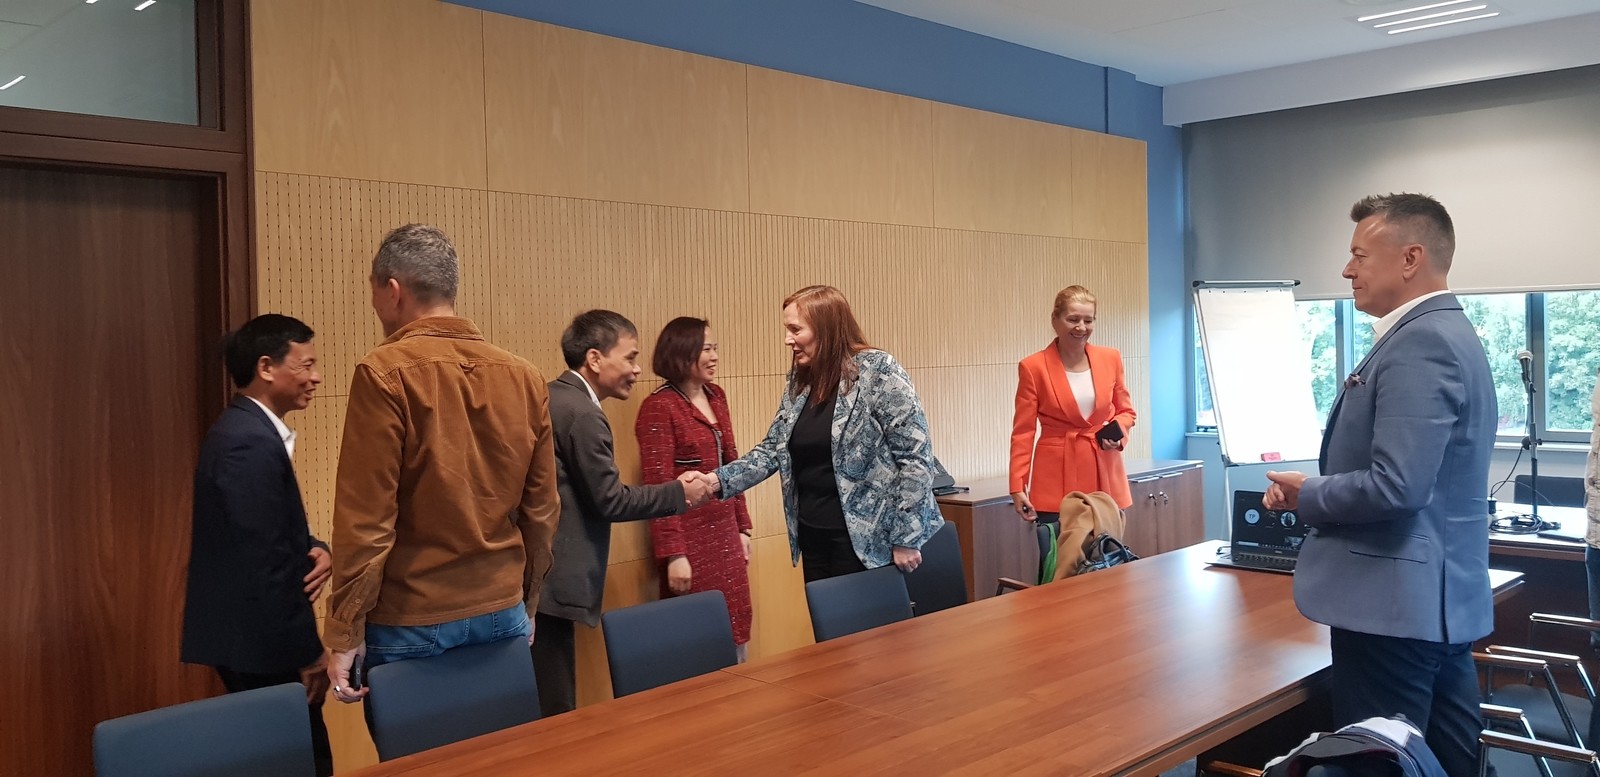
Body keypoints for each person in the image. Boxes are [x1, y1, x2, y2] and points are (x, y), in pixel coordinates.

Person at [1261, 193, 1495, 777]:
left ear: (1411, 258)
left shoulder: (1421, 341)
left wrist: (1308, 494)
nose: (1347, 270)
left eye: (1360, 255)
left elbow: (1398, 487)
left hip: (1392, 608)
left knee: (1380, 765)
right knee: (1448, 760)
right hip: (1432, 602)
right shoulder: (1449, 330)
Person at [323, 224, 560, 706]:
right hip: (503, 606)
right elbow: (541, 510)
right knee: (505, 747)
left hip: (413, 615)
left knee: (421, 749)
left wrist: (344, 630)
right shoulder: (525, 376)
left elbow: (366, 521)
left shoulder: (384, 373)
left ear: (393, 290)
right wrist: (529, 599)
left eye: (374, 293)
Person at [536, 310, 713, 717]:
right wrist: (679, 493)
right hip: (552, 580)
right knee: (554, 709)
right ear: (595, 359)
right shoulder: (582, 413)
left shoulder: (552, 395)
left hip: (535, 575)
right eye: (630, 358)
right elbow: (610, 500)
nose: (637, 369)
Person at [705, 285, 943, 583]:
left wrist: (906, 537)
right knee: (826, 615)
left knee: (863, 617)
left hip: (869, 543)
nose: (787, 339)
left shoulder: (878, 369)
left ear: (825, 328)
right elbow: (772, 448)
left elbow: (916, 457)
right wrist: (716, 480)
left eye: (795, 330)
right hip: (813, 536)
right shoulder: (801, 378)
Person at [181, 314, 333, 776]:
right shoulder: (245, 441)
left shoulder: (249, 431)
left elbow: (268, 528)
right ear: (266, 367)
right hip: (262, 643)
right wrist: (308, 651)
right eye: (305, 364)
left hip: (257, 637)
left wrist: (315, 546)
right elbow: (263, 561)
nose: (316, 377)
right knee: (303, 762)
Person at [635, 317, 754, 660]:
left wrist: (743, 526)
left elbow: (733, 466)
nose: (714, 356)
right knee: (696, 636)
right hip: (690, 542)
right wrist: (674, 554)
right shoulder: (659, 407)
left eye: (715, 348)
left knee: (735, 628)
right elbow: (657, 487)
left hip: (726, 536)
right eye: (706, 349)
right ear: (682, 353)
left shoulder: (717, 396)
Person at [1009, 285, 1136, 523]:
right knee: (1060, 546)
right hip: (1055, 477)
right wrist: (1018, 485)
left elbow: (1126, 411)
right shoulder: (1033, 367)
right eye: (1073, 319)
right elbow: (1023, 433)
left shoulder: (1111, 358)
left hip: (1105, 470)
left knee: (1108, 546)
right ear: (1055, 320)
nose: (1081, 327)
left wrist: (1118, 434)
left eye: (1088, 320)